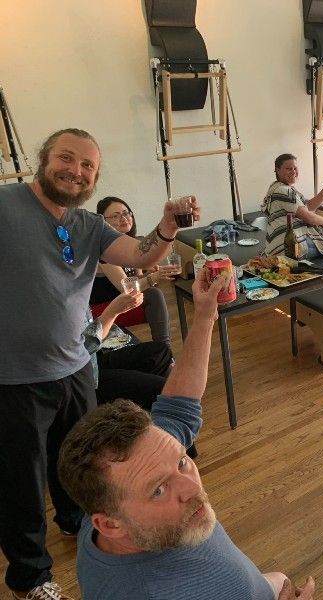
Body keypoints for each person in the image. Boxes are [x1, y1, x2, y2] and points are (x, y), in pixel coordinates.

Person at [0, 128, 199, 600]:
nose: (76, 170)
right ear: (42, 159)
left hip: (73, 367)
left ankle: (77, 524)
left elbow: (142, 253)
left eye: (88, 165)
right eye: (67, 159)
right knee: (20, 483)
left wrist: (168, 225)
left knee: (80, 464)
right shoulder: (6, 207)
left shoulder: (87, 225)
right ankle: (31, 580)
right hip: (12, 378)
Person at [57, 272, 314, 600]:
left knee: (279, 580)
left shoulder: (121, 495)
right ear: (109, 525)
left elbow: (179, 404)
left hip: (252, 585)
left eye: (181, 462)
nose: (194, 487)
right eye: (159, 490)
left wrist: (206, 315)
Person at [92, 196, 175, 345]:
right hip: (103, 312)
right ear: (104, 222)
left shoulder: (134, 244)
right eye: (116, 216)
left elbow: (138, 279)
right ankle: (164, 349)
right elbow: (126, 288)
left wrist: (152, 273)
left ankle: (163, 351)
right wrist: (154, 278)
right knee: (153, 295)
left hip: (122, 303)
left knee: (152, 295)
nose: (124, 218)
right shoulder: (103, 249)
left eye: (126, 213)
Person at [262, 153, 323, 259]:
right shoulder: (284, 191)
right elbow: (308, 217)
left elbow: (308, 207)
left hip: (278, 245)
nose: (293, 172)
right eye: (288, 169)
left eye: (295, 168)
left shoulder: (278, 187)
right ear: (278, 170)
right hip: (289, 248)